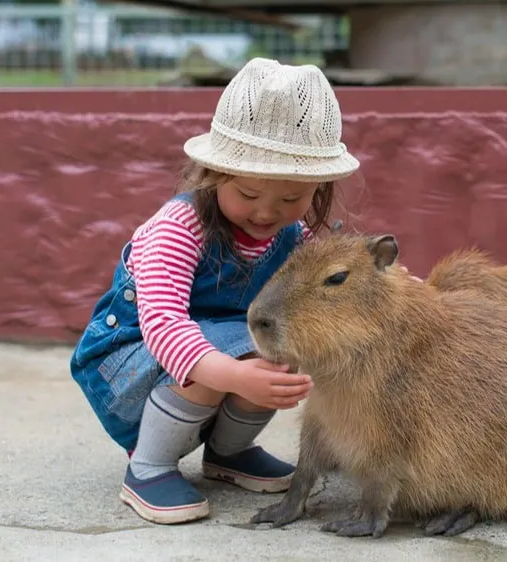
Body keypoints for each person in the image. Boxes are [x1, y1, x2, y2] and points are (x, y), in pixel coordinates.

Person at [69, 57, 362, 525]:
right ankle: (148, 467)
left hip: (207, 358)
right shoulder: (178, 228)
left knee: (278, 348)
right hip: (130, 363)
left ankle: (229, 453)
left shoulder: (294, 237)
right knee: (222, 359)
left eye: (290, 198)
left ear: (318, 187)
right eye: (248, 194)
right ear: (213, 173)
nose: (266, 213)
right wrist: (232, 375)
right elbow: (163, 325)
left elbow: (330, 284)